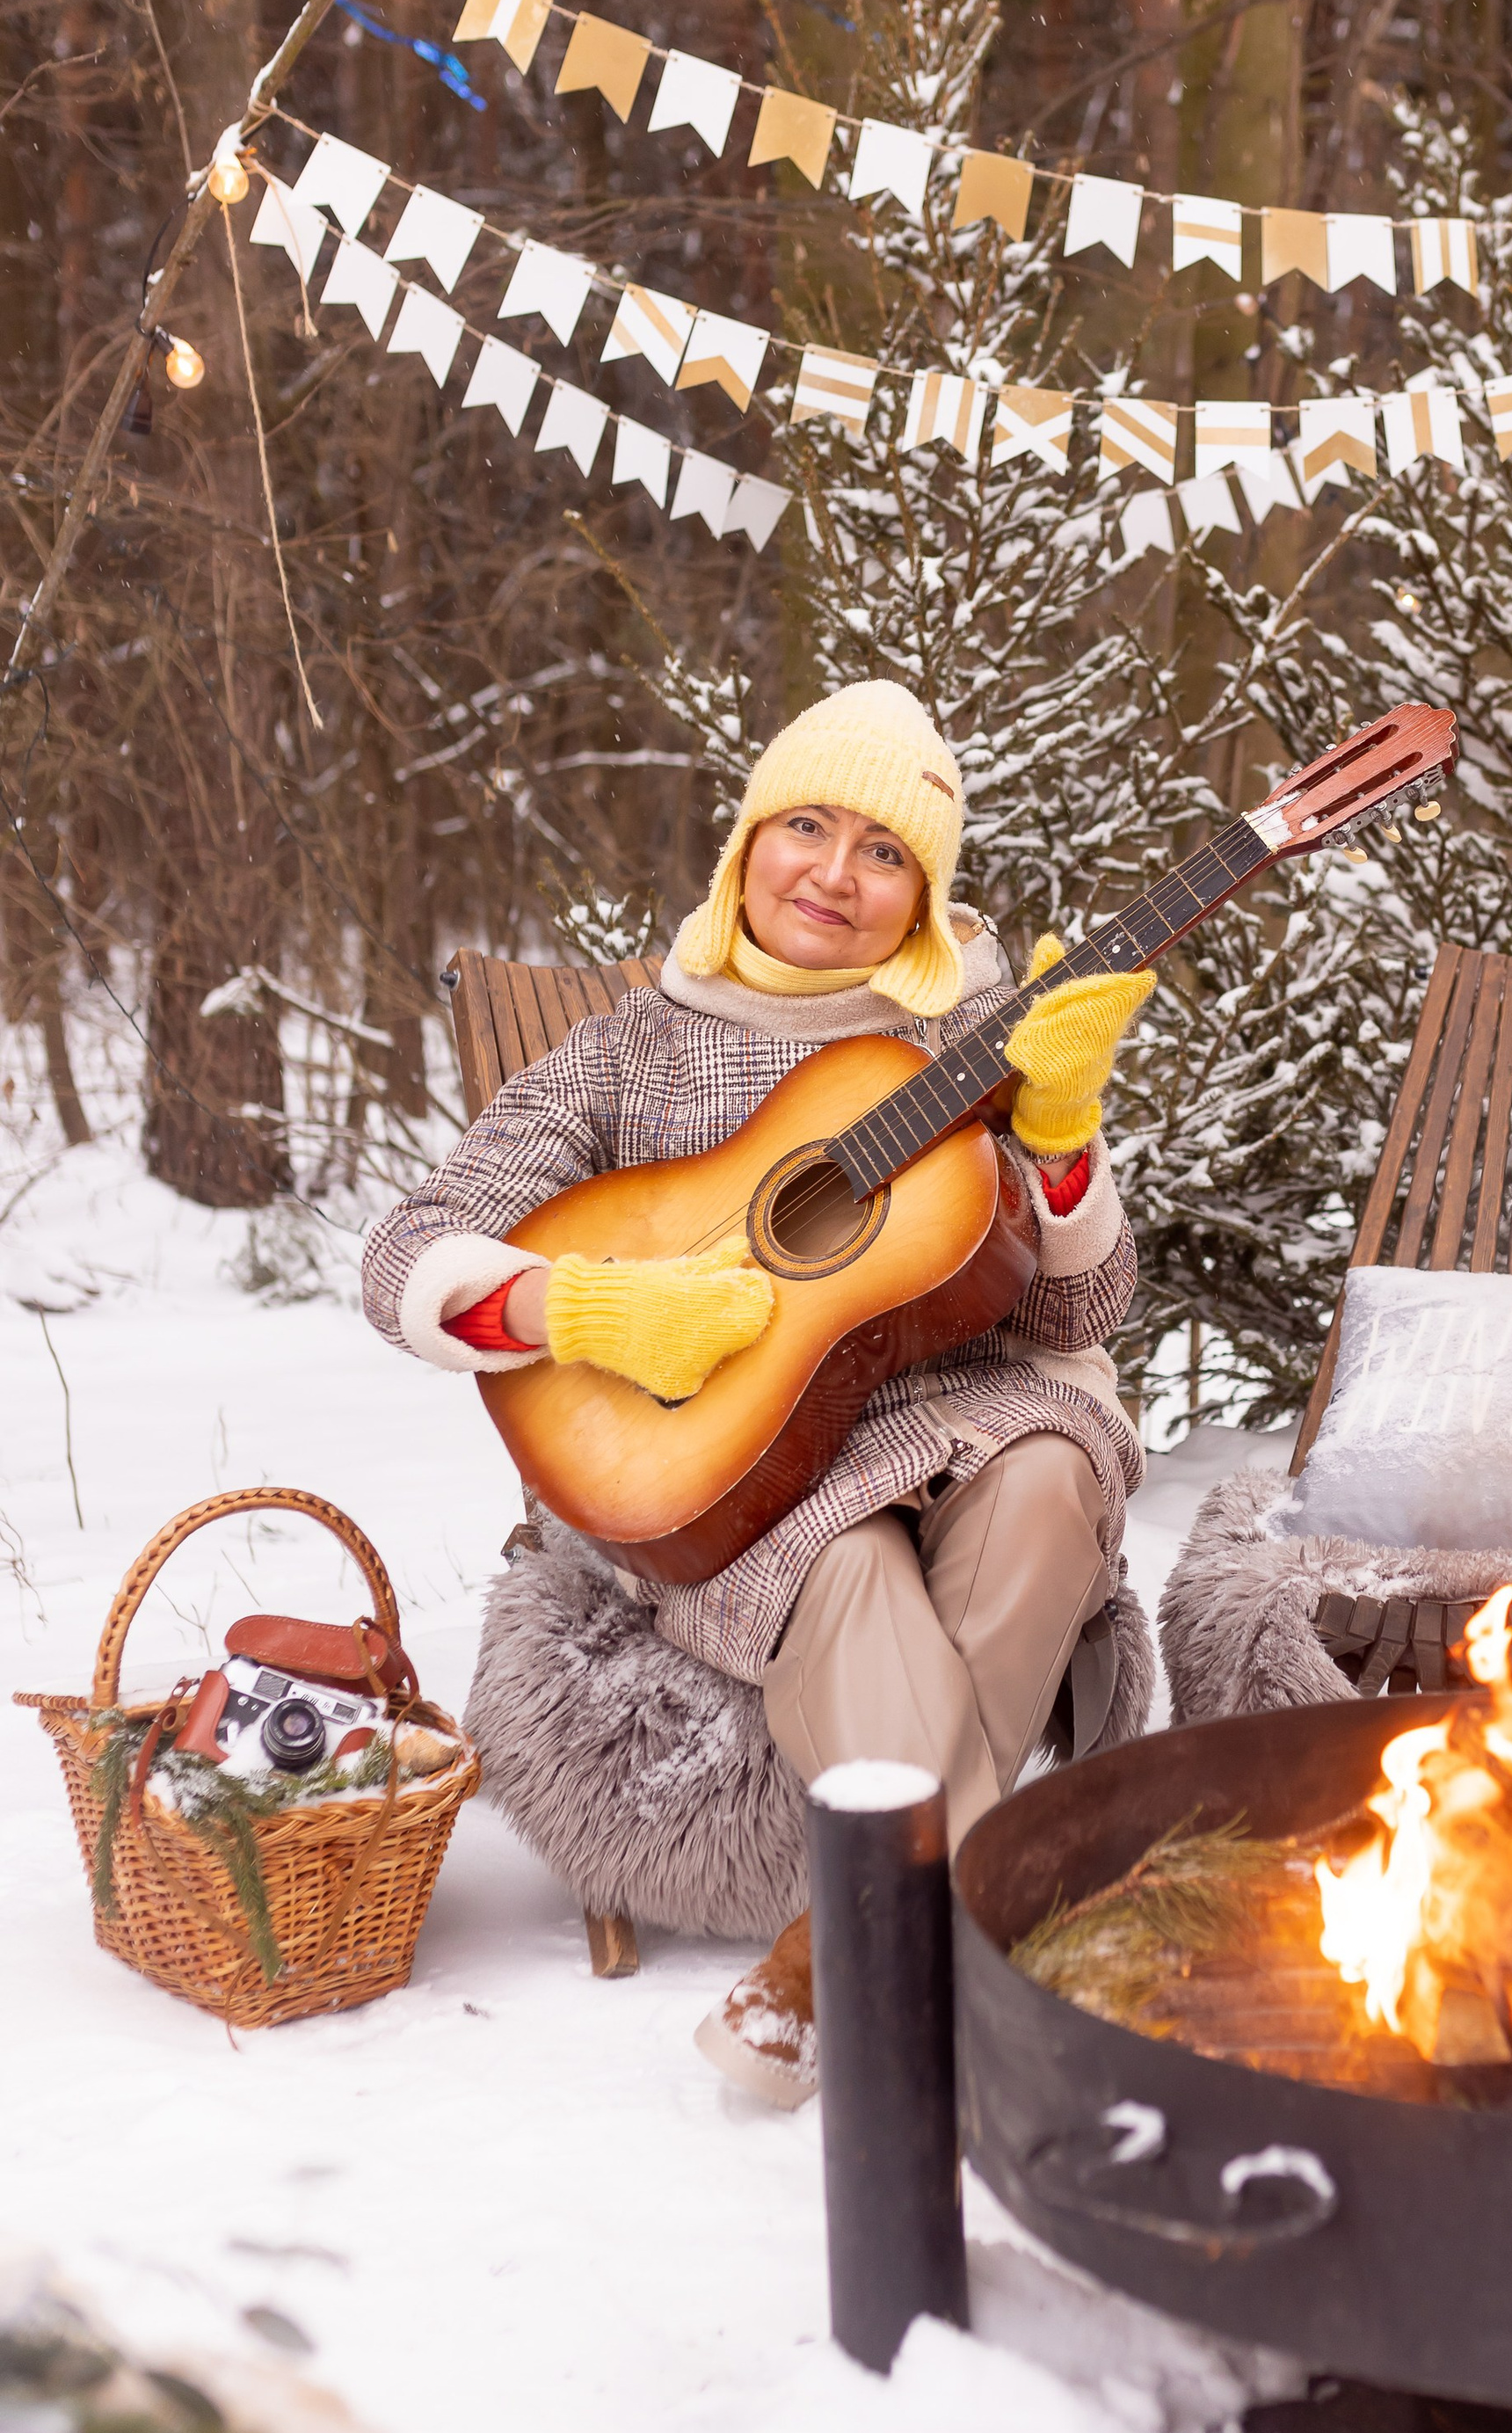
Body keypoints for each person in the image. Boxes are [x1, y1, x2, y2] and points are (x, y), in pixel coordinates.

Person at [361, 680, 1150, 2104]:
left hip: (973, 1426)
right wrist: (580, 1304)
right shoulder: (628, 1051)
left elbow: (1085, 1310)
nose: (835, 876)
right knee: (840, 1552)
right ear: (746, 843)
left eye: (886, 851)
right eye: (806, 826)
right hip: (744, 1464)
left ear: (925, 894)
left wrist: (1065, 1136)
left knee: (1049, 1480)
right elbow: (406, 1257)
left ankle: (830, 1961)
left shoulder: (971, 1048)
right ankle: (1012, 2002)